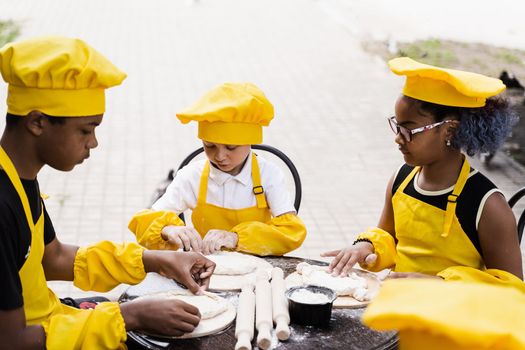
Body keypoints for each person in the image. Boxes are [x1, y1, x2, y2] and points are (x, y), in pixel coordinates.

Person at [0, 36, 215, 349]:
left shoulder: (19, 178)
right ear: (37, 122)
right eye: (86, 130)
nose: (94, 143)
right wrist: (127, 317)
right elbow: (11, 342)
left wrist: (156, 260)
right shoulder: (2, 206)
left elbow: (53, 258)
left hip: (50, 319)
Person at [322, 57, 523, 285]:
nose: (398, 138)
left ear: (449, 130)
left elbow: (511, 288)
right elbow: (390, 237)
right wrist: (365, 246)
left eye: (409, 130)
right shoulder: (402, 179)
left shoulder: (488, 205)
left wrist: (437, 284)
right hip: (399, 309)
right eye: (396, 126)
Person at [128, 82, 307, 256]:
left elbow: (291, 233)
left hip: (258, 265)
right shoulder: (192, 176)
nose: (220, 156)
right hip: (205, 265)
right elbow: (144, 222)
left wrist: (236, 238)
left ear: (250, 141)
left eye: (231, 148)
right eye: (210, 146)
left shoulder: (269, 175)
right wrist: (168, 230)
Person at [362, 279, 525, 350]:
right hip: (407, 309)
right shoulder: (395, 204)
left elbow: (510, 285)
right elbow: (390, 234)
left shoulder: (492, 212)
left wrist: (446, 280)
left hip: (463, 318)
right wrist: (370, 244)